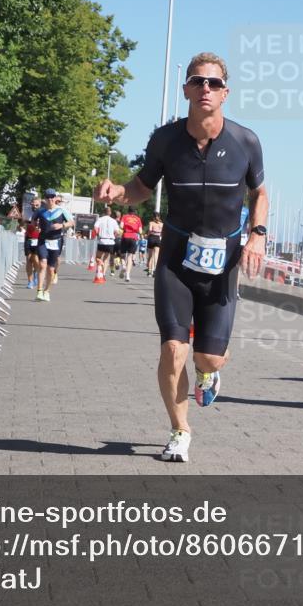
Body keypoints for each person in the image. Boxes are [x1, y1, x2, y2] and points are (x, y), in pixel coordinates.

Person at [95, 52, 268, 463]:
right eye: (197, 81)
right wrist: (118, 193)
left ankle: (209, 373)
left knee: (209, 356)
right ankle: (180, 430)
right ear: (186, 89)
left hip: (222, 265)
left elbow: (259, 193)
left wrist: (257, 235)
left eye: (213, 83)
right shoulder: (165, 139)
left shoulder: (246, 141)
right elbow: (141, 185)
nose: (204, 88)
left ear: (226, 93)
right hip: (175, 258)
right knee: (173, 350)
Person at [35, 189, 74, 302]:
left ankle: (47, 291)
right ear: (45, 199)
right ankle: (39, 291)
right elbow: (33, 221)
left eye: (52, 197)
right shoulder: (40, 211)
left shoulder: (61, 210)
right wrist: (36, 226)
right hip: (43, 240)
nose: (50, 199)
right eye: (48, 197)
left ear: (55, 198)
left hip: (56, 241)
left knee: (51, 269)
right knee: (42, 264)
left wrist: (62, 225)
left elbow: (72, 222)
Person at [93, 206, 120, 281]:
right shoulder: (113, 221)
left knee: (98, 257)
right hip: (110, 241)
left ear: (103, 212)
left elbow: (95, 227)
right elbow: (117, 232)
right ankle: (103, 274)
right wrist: (114, 236)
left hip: (102, 240)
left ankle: (100, 264)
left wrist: (98, 233)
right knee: (107, 259)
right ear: (110, 213)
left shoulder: (100, 219)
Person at [117, 208, 143, 282]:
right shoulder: (138, 219)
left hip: (125, 236)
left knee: (122, 254)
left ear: (128, 211)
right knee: (130, 256)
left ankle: (124, 265)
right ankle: (127, 275)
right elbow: (140, 231)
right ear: (134, 212)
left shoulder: (124, 217)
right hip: (134, 237)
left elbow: (121, 226)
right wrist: (140, 236)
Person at [24, 196, 42, 289]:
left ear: (40, 204)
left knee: (35, 259)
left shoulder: (43, 212)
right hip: (29, 237)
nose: (34, 206)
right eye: (33, 204)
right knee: (29, 259)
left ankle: (36, 273)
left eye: (37, 205)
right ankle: (30, 281)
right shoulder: (27, 211)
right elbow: (25, 222)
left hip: (39, 238)